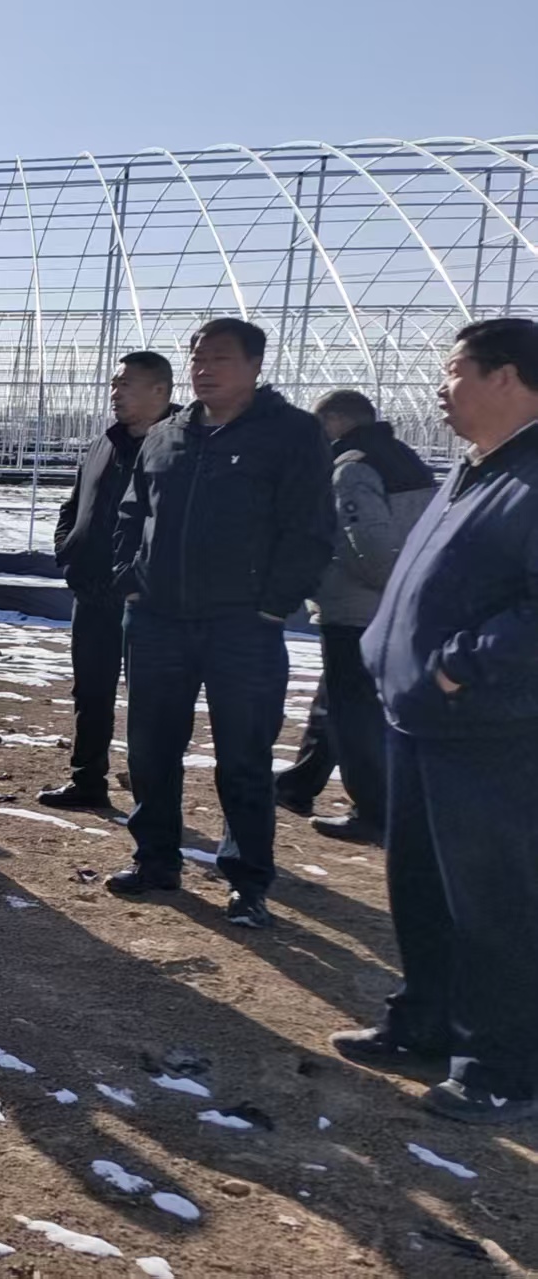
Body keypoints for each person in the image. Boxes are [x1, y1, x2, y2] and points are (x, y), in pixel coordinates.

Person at [335, 318, 538, 1124]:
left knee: (492, 903)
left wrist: (459, 665)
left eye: (454, 371)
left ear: (506, 377)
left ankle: (503, 1066)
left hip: (488, 732)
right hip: (421, 719)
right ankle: (424, 1022)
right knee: (418, 886)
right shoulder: (477, 468)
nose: (440, 388)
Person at [104, 318, 334, 928]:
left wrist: (273, 604)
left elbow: (311, 528)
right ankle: (156, 858)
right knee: (152, 748)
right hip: (158, 620)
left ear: (255, 365)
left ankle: (248, 879)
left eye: (221, 359)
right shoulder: (168, 434)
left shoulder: (290, 434)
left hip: (243, 626)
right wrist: (131, 577)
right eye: (198, 359)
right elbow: (132, 512)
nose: (204, 369)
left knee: (244, 756)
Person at [270, 389, 436, 845]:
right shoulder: (405, 459)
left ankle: (373, 811)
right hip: (395, 605)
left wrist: (385, 581)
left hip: (356, 608)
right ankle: (298, 785)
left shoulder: (353, 467)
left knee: (354, 712)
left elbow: (371, 545)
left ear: (336, 422)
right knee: (336, 701)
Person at [39, 351, 178, 809]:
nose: (115, 392)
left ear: (160, 390)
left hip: (148, 596)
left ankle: (151, 795)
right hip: (93, 589)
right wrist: (67, 546)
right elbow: (76, 501)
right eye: (114, 384)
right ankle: (87, 780)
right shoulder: (106, 442)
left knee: (151, 699)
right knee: (91, 690)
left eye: (126, 384)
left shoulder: (181, 445)